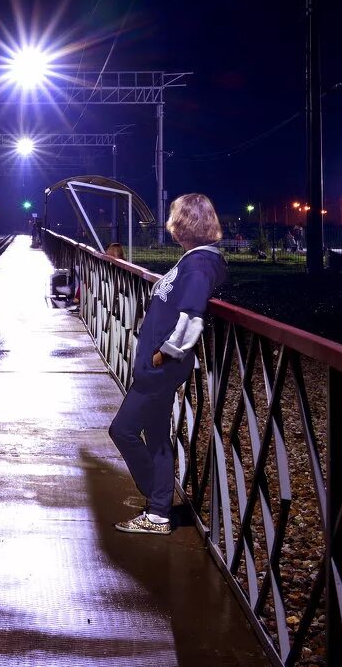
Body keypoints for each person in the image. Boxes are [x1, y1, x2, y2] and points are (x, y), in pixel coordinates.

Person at [109, 193, 228, 535]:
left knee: (124, 430)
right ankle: (159, 511)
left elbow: (192, 318)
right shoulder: (194, 260)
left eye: (174, 216)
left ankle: (156, 498)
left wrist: (165, 353)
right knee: (158, 436)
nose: (170, 223)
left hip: (161, 369)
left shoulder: (200, 265)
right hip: (157, 366)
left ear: (187, 223)